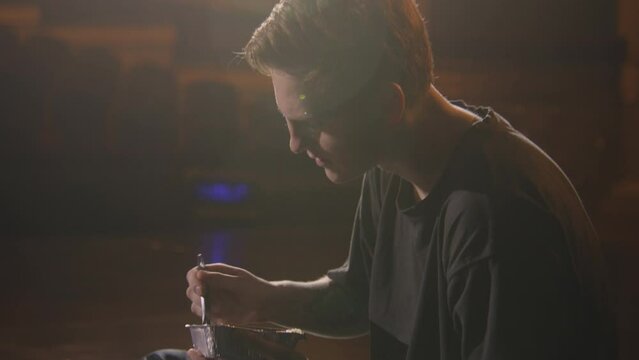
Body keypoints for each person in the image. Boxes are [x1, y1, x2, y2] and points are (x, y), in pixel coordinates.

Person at [147, 0, 615, 359]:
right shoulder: (395, 162)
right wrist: (266, 300)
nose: (293, 144)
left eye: (310, 124)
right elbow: (361, 296)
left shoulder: (494, 227)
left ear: (388, 107)